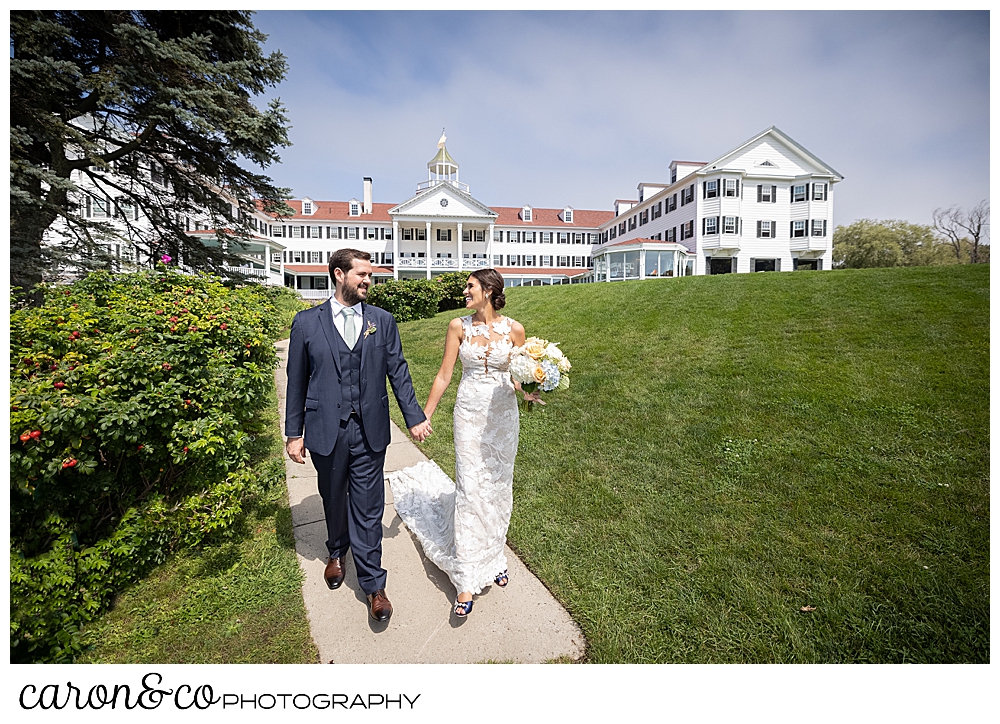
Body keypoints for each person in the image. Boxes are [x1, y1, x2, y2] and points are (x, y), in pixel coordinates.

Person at [285, 248, 431, 623]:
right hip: (324, 429)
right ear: (338, 274)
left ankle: (374, 585)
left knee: (368, 507)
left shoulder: (382, 321)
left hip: (370, 430)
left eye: (370, 275)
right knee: (333, 498)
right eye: (361, 274)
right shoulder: (306, 322)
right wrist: (293, 433)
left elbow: (398, 370)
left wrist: (413, 417)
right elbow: (297, 381)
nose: (368, 280)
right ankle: (336, 550)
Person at [389, 269, 541, 617]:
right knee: (471, 489)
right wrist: (423, 415)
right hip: (469, 414)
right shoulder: (458, 326)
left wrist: (532, 392)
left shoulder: (515, 330)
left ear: (488, 291)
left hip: (503, 418)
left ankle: (494, 555)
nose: (464, 291)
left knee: (498, 487)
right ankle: (467, 577)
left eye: (470, 286)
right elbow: (444, 374)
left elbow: (517, 377)